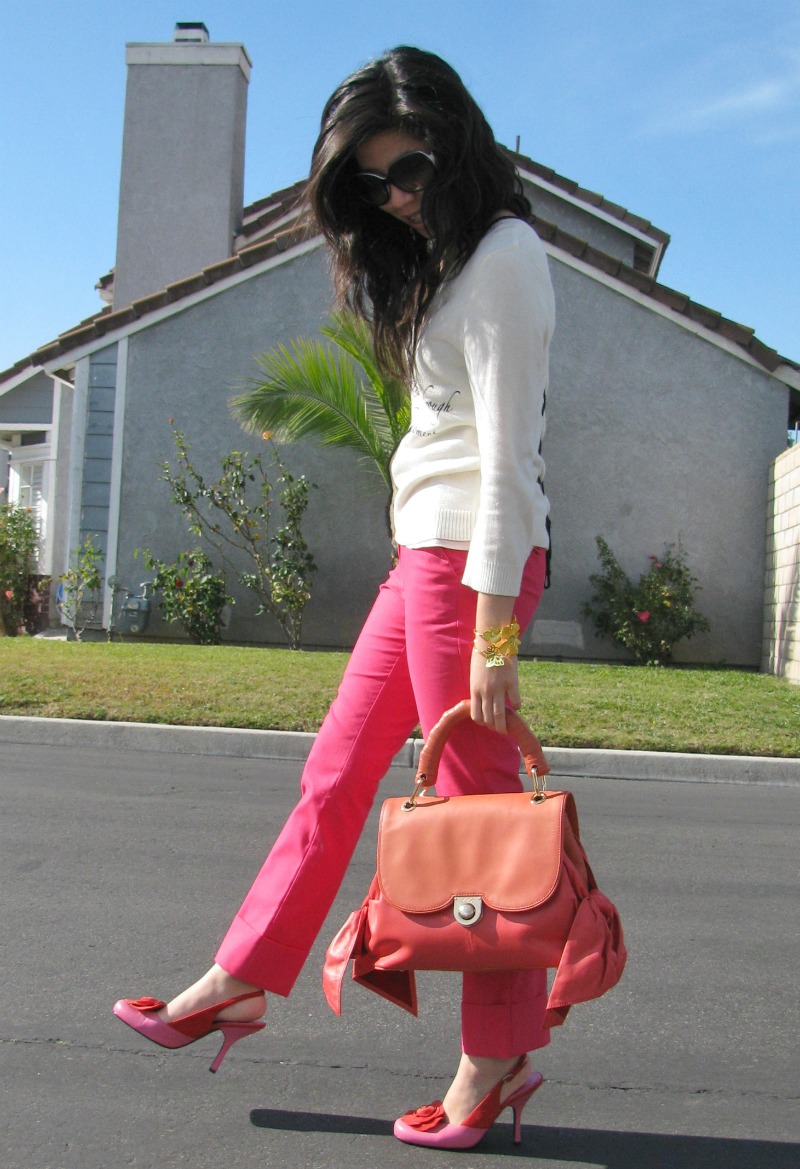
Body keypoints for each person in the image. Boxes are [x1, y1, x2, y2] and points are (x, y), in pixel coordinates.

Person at [113, 45, 555, 1150]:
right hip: (424, 558)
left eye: (408, 169)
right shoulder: (445, 264)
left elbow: (505, 465)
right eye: (371, 182)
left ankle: (496, 1057)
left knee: (477, 816)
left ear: (455, 146)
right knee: (335, 769)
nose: (393, 196)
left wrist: (495, 636)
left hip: (473, 569)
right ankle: (241, 975)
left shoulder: (505, 256)